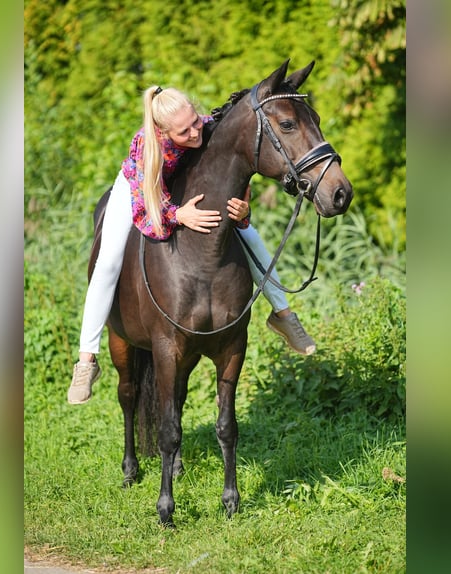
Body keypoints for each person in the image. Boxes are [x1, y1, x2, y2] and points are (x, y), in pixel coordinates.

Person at [68, 86, 316, 404]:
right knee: (107, 263)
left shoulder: (204, 126)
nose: (196, 132)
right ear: (164, 131)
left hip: (182, 185)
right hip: (140, 189)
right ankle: (86, 360)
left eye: (195, 122)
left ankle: (283, 314)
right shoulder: (148, 147)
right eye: (185, 131)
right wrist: (179, 215)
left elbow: (237, 168)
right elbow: (148, 209)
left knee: (249, 234)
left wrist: (243, 205)